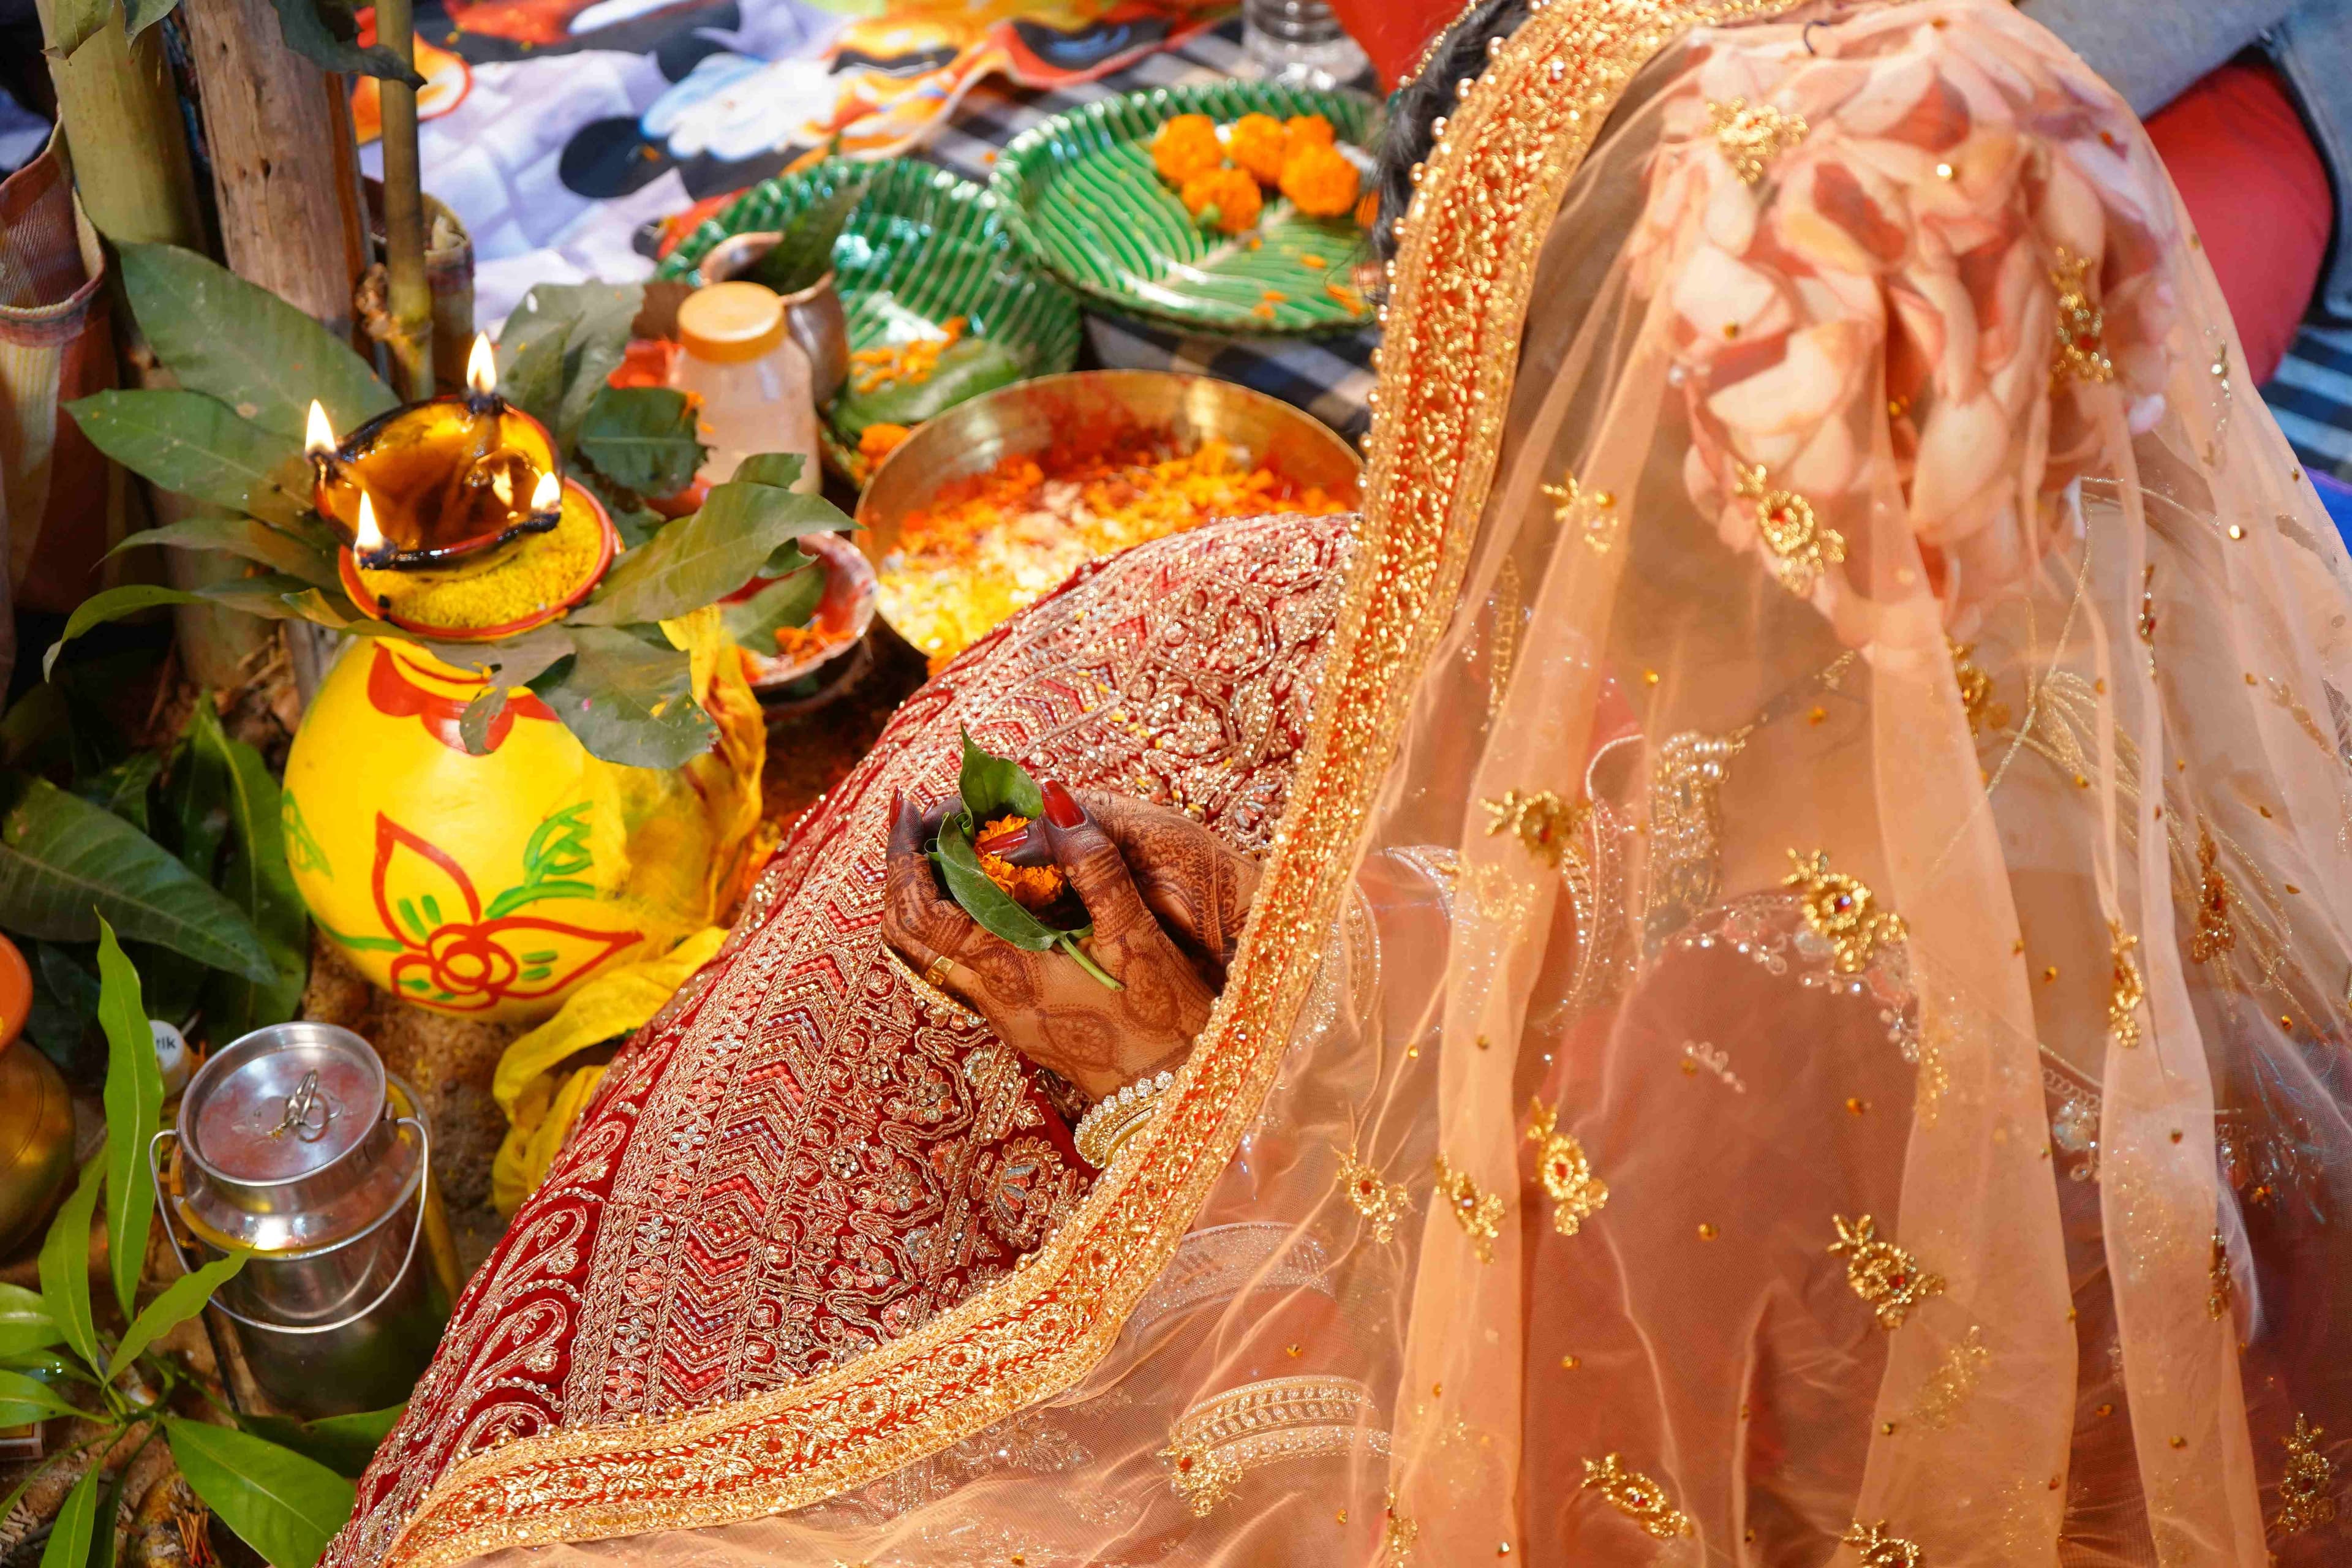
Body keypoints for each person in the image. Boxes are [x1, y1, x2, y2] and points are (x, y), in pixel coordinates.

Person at [325, 2, 2352, 1565]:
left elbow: (1444, 1486)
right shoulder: (2141, 676)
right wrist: (1336, 939)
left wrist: (1161, 1090)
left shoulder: (1730, 1023)